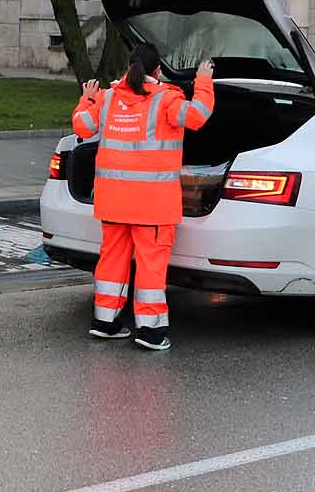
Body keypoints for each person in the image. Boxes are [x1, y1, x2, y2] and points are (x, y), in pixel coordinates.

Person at [70, 43, 214, 351]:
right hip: (152, 205)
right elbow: (198, 117)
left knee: (112, 262)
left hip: (113, 202)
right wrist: (203, 81)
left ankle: (105, 322)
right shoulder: (166, 100)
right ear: (157, 70)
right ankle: (150, 331)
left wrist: (87, 97)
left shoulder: (107, 99)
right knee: (150, 266)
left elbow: (82, 125)